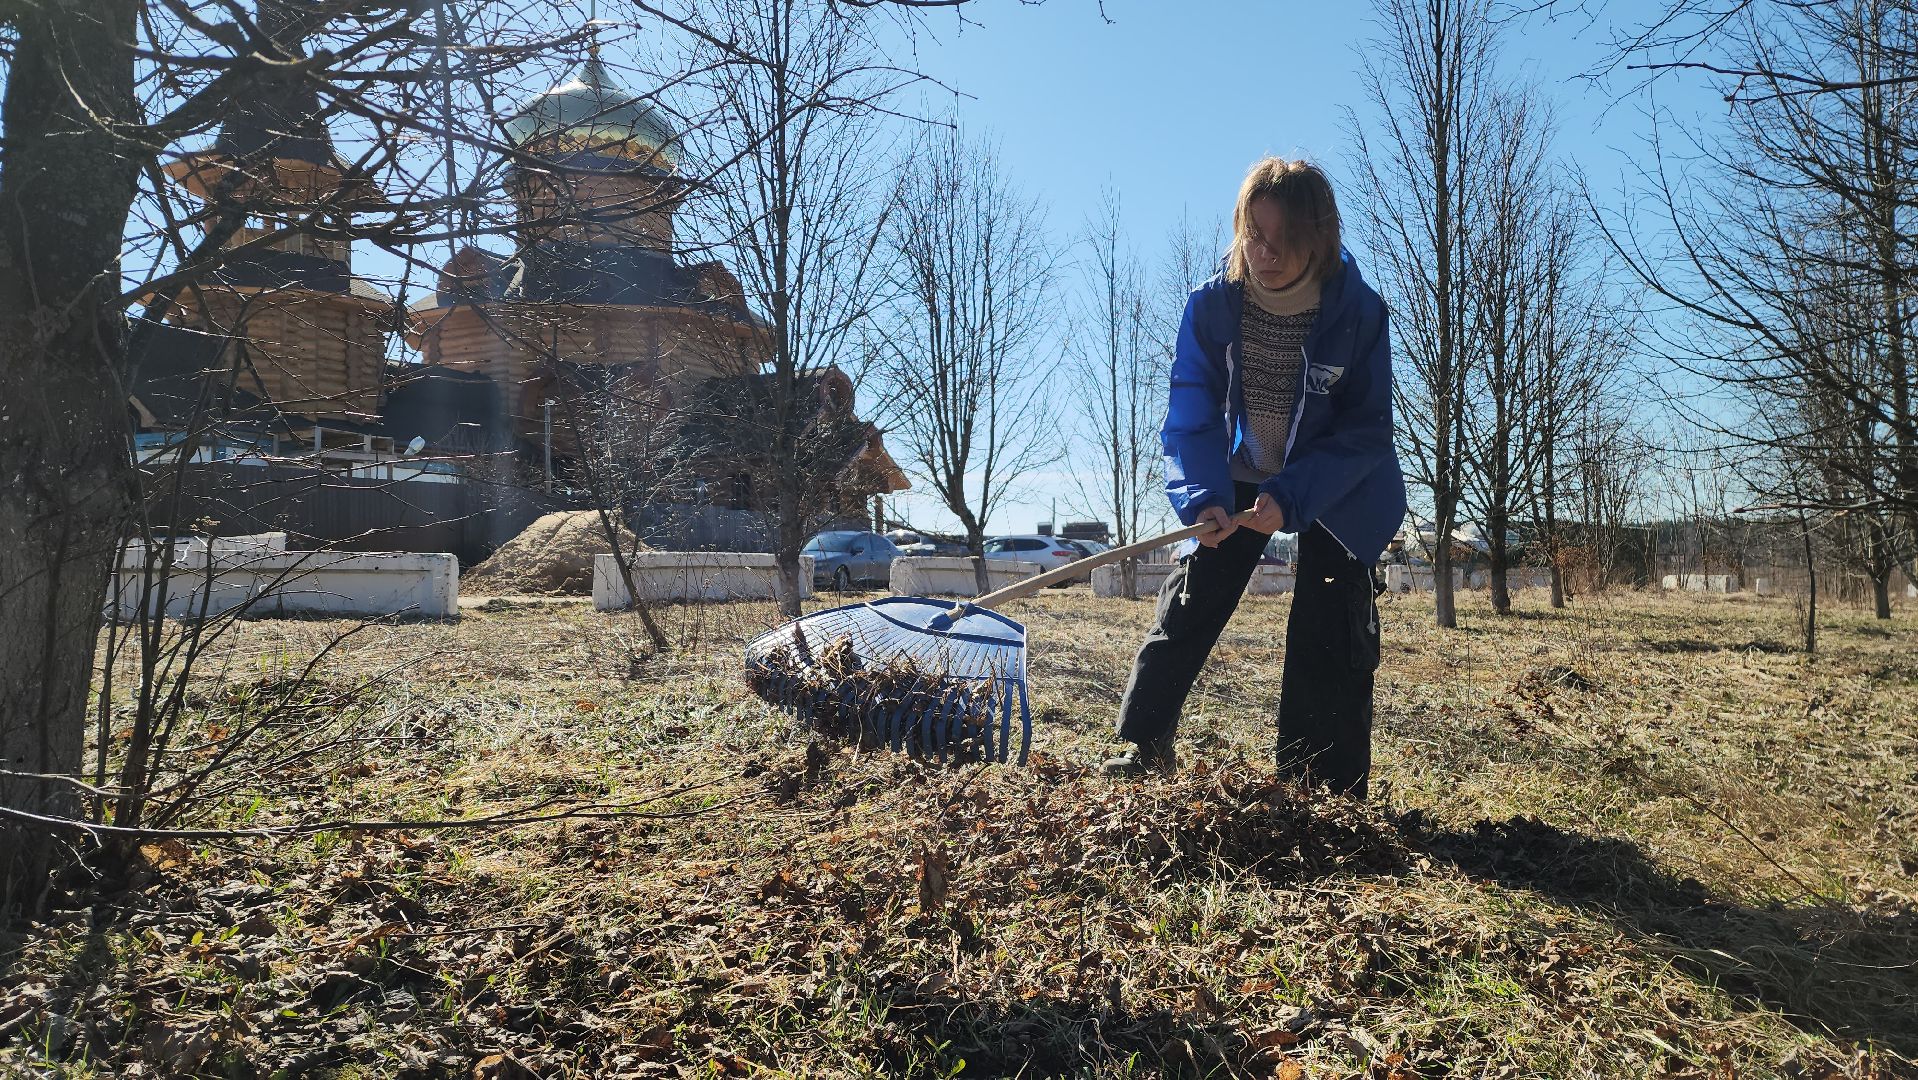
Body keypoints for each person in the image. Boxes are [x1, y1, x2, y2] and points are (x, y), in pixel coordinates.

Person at [1103, 158, 1406, 799]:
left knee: (1329, 615)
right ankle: (1141, 742)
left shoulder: (1358, 312)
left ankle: (1319, 785)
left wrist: (1293, 497)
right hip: (1246, 466)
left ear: (1317, 238)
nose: (1262, 252)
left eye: (1281, 238)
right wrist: (1203, 499)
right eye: (1252, 233)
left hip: (1340, 484)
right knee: (1194, 593)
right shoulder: (1214, 306)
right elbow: (1193, 412)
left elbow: (1365, 432)